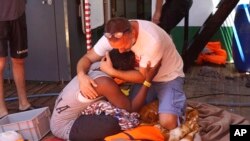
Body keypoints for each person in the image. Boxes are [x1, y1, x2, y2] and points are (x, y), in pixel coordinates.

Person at [76, 17, 186, 130]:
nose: (121, 51)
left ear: (133, 33)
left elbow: (143, 77)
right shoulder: (112, 35)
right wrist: (81, 76)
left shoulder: (152, 40)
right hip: (146, 79)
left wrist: (112, 71)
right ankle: (163, 103)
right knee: (129, 113)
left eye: (124, 46)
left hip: (168, 78)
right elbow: (87, 58)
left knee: (168, 123)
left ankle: (174, 104)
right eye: (115, 48)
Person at [50, 49, 160, 141]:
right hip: (66, 127)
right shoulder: (105, 83)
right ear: (120, 70)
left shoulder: (97, 65)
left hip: (60, 116)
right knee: (116, 122)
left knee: (124, 98)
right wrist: (148, 80)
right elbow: (131, 109)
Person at [0, 0, 35, 119]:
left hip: (18, 14)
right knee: (0, 64)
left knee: (19, 60)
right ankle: (1, 108)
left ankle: (23, 103)